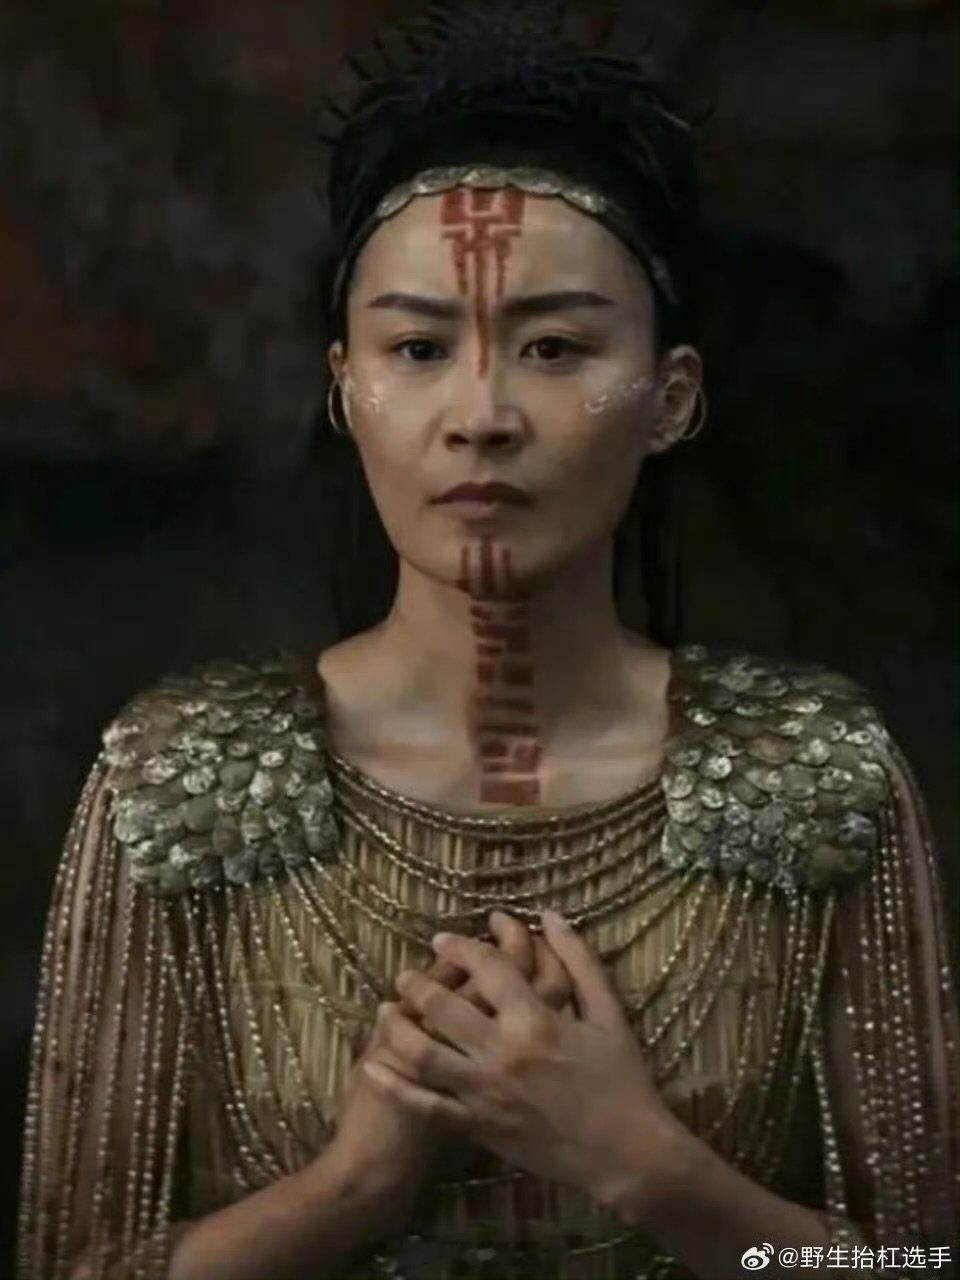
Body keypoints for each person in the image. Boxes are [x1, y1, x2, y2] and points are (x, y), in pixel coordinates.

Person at [16, 6, 958, 1279]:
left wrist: (642, 1161)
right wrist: (350, 1188)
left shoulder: (815, 780)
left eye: (555, 346)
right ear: (345, 388)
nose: (482, 414)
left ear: (671, 396)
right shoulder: (181, 781)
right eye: (418, 347)